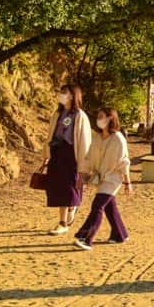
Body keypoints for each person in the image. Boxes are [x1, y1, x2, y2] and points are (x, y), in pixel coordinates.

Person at [73, 108, 131, 250]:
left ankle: (86, 238)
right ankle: (120, 234)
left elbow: (124, 161)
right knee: (110, 207)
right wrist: (82, 176)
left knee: (98, 205)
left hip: (113, 178)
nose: (99, 119)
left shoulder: (118, 139)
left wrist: (127, 182)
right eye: (98, 116)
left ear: (110, 118)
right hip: (100, 177)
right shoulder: (96, 138)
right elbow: (88, 158)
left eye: (101, 116)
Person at [42, 84, 91, 235]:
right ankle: (69, 211)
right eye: (61, 91)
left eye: (65, 92)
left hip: (71, 154)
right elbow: (50, 135)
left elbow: (84, 142)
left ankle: (63, 222)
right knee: (57, 187)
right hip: (57, 153)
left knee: (68, 187)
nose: (61, 95)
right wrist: (46, 156)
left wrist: (84, 164)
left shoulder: (80, 115)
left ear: (72, 95)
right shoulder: (58, 114)